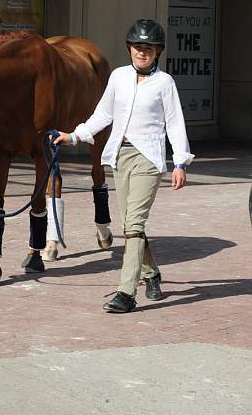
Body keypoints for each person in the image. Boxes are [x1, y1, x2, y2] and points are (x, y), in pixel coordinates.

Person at [53, 19, 194, 313]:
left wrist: (180, 161)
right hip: (119, 156)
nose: (142, 53)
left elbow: (175, 123)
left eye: (149, 48)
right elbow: (103, 114)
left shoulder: (164, 83)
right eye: (137, 47)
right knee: (130, 226)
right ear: (129, 48)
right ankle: (152, 273)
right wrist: (74, 135)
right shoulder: (117, 77)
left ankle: (126, 293)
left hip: (148, 159)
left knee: (134, 225)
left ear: (158, 52)